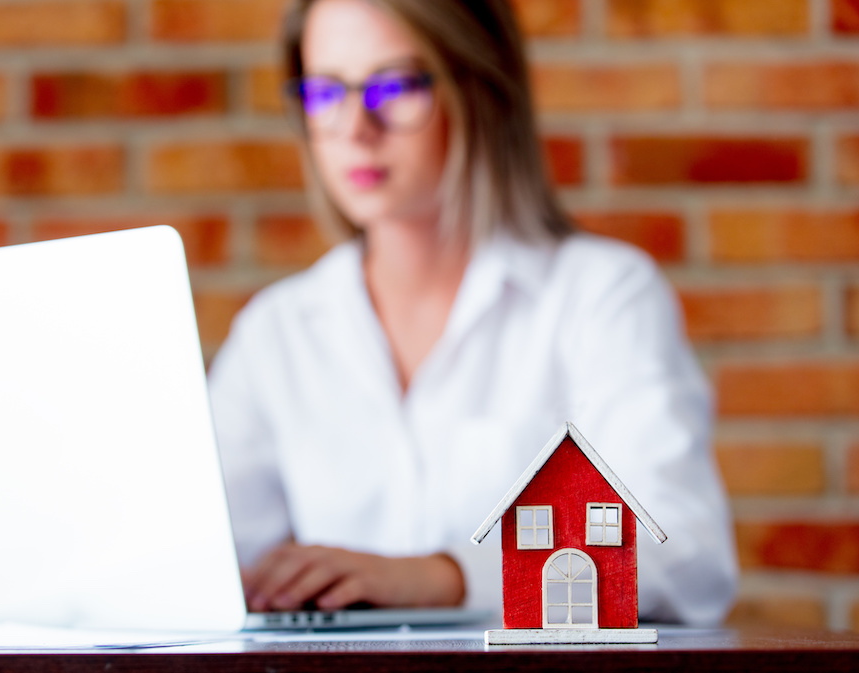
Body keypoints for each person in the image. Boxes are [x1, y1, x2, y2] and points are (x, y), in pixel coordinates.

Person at [207, 0, 739, 625]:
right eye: (326, 92)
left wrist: (444, 577)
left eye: (396, 86)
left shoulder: (600, 296)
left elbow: (687, 556)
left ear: (481, 91)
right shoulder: (276, 332)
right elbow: (210, 561)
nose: (355, 125)